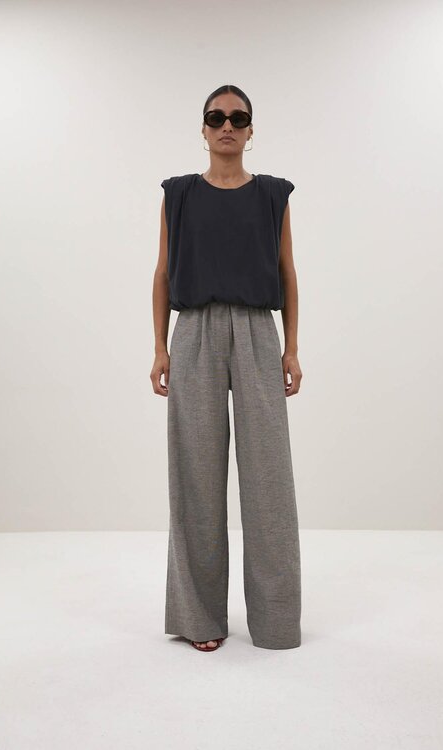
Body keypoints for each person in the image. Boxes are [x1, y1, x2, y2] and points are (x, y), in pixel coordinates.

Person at [151, 84, 303, 652]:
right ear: (203, 128)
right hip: (194, 332)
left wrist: (291, 348)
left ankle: (276, 621)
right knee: (195, 475)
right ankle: (200, 618)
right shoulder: (179, 194)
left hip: (259, 332)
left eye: (238, 118)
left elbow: (287, 273)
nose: (227, 127)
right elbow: (162, 272)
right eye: (216, 117)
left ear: (250, 129)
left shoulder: (272, 194)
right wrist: (160, 347)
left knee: (269, 479)